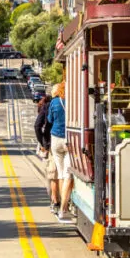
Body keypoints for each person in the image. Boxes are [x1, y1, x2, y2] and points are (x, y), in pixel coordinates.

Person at [47, 82, 73, 223]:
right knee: (68, 174)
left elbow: (50, 119)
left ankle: (63, 208)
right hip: (70, 139)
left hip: (56, 139)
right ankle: (64, 208)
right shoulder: (74, 101)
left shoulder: (54, 102)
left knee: (61, 173)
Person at [34, 95, 56, 212]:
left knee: (50, 175)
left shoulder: (44, 108)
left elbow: (37, 126)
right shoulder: (58, 105)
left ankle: (53, 200)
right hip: (61, 142)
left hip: (49, 144)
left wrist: (43, 143)